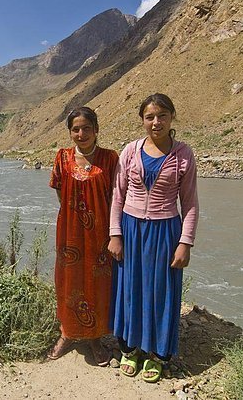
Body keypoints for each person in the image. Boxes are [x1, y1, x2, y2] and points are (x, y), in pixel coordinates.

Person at [108, 93, 199, 383]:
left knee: (161, 291)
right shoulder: (130, 151)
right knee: (130, 288)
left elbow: (191, 203)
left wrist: (185, 242)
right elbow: (118, 196)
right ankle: (130, 348)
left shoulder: (183, 155)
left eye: (162, 115)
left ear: (172, 117)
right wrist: (115, 234)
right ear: (142, 120)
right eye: (150, 117)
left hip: (165, 232)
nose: (156, 122)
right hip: (131, 229)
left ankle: (158, 354)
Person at [48, 106, 119, 366]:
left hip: (100, 234)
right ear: (70, 133)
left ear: (96, 130)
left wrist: (114, 232)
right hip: (70, 233)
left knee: (98, 285)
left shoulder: (110, 158)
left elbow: (117, 197)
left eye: (86, 128)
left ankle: (95, 337)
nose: (81, 133)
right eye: (75, 129)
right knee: (69, 282)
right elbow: (59, 191)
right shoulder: (62, 157)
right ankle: (67, 334)